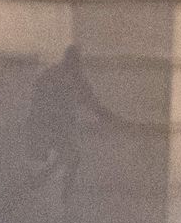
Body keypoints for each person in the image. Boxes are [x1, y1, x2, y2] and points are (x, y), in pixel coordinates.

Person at [28, 45, 116, 207]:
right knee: (70, 157)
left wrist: (108, 116)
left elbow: (91, 100)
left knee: (70, 158)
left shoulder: (63, 76)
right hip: (51, 126)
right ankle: (56, 194)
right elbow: (90, 101)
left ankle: (45, 185)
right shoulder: (61, 76)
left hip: (55, 126)